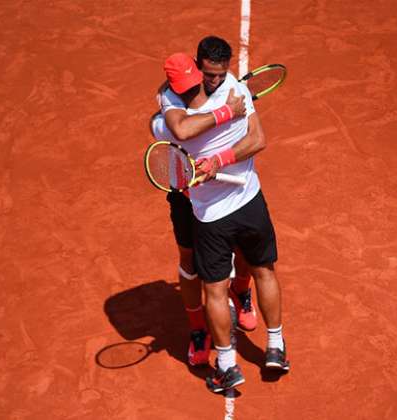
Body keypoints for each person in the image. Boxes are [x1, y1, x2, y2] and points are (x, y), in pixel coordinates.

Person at [152, 36, 289, 393]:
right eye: (207, 74)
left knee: (255, 269)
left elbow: (258, 140)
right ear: (198, 66)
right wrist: (226, 114)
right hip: (197, 203)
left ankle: (271, 344)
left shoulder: (236, 89)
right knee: (197, 270)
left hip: (239, 198)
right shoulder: (172, 98)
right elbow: (180, 129)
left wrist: (218, 160)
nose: (212, 81)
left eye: (218, 74)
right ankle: (214, 347)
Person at [149, 52, 259, 367]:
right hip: (186, 196)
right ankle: (198, 328)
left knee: (246, 248)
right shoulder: (167, 119)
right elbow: (179, 131)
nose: (191, 90)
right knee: (189, 262)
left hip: (226, 193)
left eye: (194, 82)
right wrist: (229, 112)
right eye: (181, 87)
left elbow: (252, 136)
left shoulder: (223, 89)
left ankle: (240, 290)